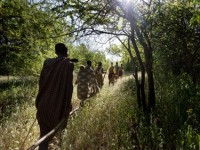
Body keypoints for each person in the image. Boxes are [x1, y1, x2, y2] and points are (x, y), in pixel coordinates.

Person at [35, 43, 74, 150]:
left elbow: (41, 82)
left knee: (43, 137)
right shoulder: (69, 64)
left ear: (56, 52)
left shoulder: (47, 62)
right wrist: (67, 107)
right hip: (57, 107)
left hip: (43, 105)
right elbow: (69, 88)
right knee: (61, 133)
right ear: (66, 52)